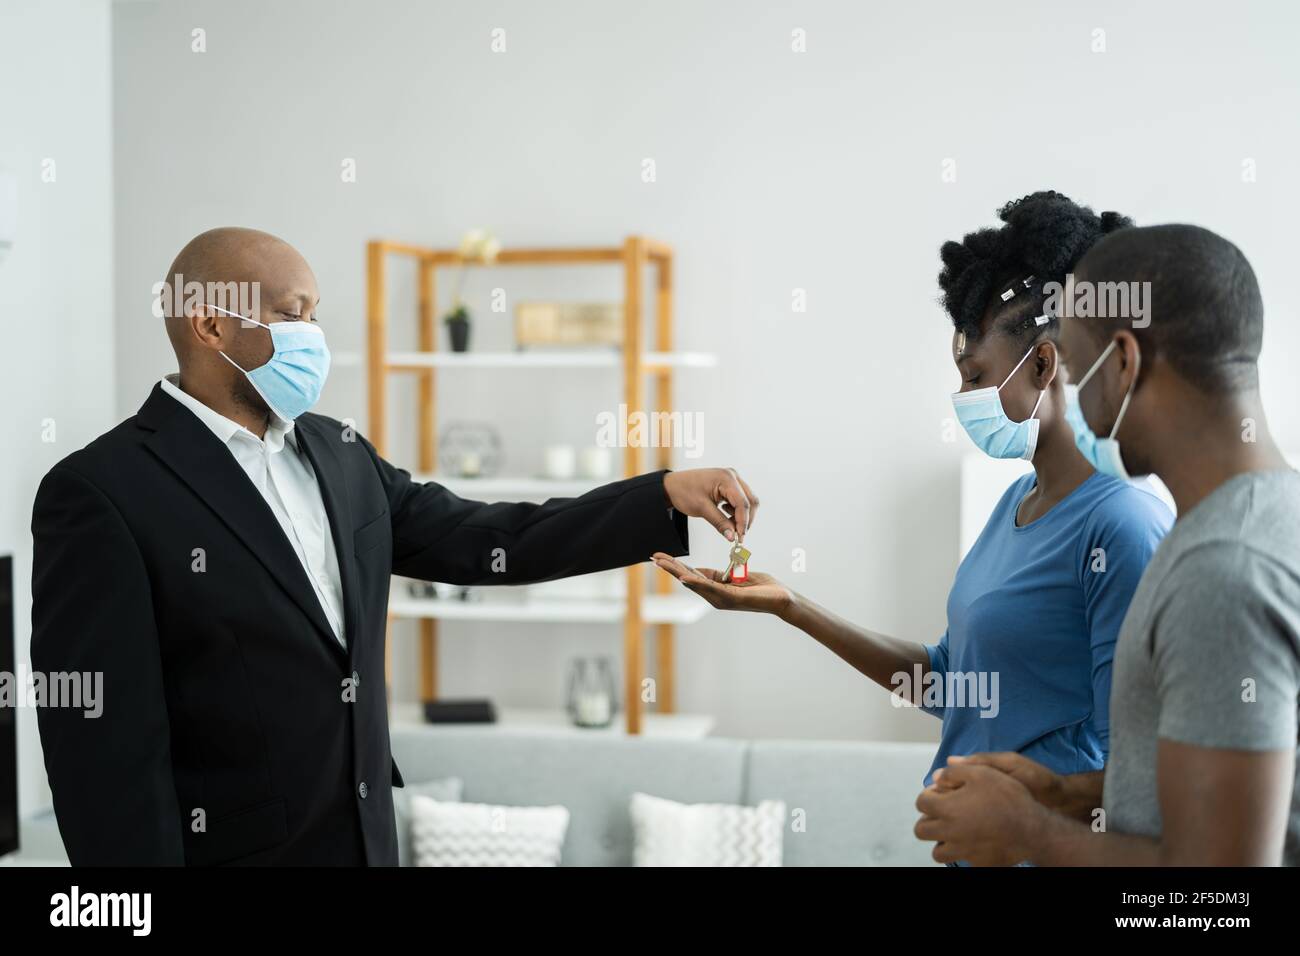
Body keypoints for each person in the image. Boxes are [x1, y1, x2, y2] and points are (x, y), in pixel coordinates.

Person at [31, 226, 759, 866]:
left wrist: (660, 496)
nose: (312, 335)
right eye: (291, 314)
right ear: (210, 324)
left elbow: (492, 539)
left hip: (367, 844)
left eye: (316, 314)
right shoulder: (102, 492)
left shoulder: (339, 452)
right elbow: (102, 757)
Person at [654, 193, 1173, 810]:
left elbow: (1138, 776)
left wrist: (1017, 820)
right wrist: (790, 607)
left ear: (1042, 365)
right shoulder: (1017, 502)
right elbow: (951, 683)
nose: (962, 395)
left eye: (975, 376)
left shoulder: (1123, 522)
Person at [914, 223, 1300, 866]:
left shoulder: (1222, 570)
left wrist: (1030, 832)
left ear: (1121, 362)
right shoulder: (1264, 520)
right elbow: (1197, 794)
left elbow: (1222, 892)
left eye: (1073, 360)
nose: (1067, 391)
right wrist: (1063, 793)